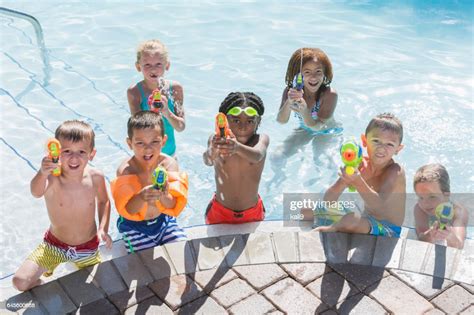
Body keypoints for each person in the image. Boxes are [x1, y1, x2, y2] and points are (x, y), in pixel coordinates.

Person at [12, 121, 112, 291]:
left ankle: (77, 265)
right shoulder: (52, 178)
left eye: (81, 151)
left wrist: (103, 228)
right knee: (19, 282)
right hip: (54, 246)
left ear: (91, 154)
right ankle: (42, 284)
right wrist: (42, 172)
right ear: (56, 152)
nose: (74, 158)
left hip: (87, 247)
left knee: (101, 288)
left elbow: (104, 201)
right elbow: (36, 192)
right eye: (67, 151)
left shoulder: (96, 177)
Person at [314, 113, 406, 238]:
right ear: (364, 141)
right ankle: (339, 225)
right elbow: (328, 200)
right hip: (367, 221)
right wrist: (343, 180)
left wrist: (358, 182)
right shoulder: (360, 165)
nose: (381, 148)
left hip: (388, 229)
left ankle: (329, 229)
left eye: (389, 144)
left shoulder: (395, 172)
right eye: (376, 141)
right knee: (315, 208)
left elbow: (380, 207)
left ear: (398, 149)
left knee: (350, 221)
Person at [111, 111, 187, 253]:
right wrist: (141, 196)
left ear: (163, 141)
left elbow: (172, 205)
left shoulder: (169, 165)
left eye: (154, 141)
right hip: (134, 227)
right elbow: (128, 210)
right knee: (143, 265)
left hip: (164, 222)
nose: (148, 148)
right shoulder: (126, 171)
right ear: (129, 143)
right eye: (140, 143)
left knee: (181, 251)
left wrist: (164, 195)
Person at [272, 47, 342, 174]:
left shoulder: (329, 95)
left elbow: (318, 127)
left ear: (325, 73)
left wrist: (304, 111)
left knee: (320, 159)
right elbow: (281, 121)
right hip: (305, 129)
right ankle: (278, 181)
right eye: (307, 72)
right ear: (297, 75)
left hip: (326, 131)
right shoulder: (290, 92)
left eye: (318, 72)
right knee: (277, 156)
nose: (313, 77)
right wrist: (289, 102)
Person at [203, 92, 270, 224]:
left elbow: (257, 155)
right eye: (236, 120)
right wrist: (214, 150)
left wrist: (237, 147)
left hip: (252, 211)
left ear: (258, 121)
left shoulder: (260, 140)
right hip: (220, 211)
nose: (242, 127)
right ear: (224, 120)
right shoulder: (216, 140)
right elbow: (208, 161)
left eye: (250, 121)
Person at [127, 39, 185, 156]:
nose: (153, 69)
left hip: (169, 153)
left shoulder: (175, 89)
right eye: (147, 64)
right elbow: (136, 129)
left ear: (167, 65)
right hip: (144, 155)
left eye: (158, 64)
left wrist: (166, 112)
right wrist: (151, 113)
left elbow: (180, 127)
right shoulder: (135, 92)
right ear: (138, 67)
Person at [413, 163, 468, 249]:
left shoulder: (458, 212)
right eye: (421, 197)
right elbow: (420, 238)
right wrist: (430, 235)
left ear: (446, 195)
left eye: (432, 197)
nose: (425, 203)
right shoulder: (419, 209)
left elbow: (459, 245)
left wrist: (449, 236)